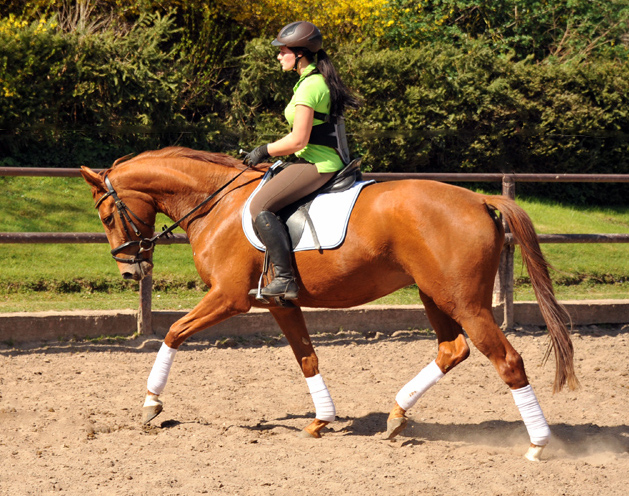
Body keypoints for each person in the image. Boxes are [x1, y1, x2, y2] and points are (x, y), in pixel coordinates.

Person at [244, 20, 360, 300]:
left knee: (259, 205)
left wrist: (265, 149)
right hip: (309, 159)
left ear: (299, 53)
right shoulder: (310, 82)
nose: (278, 55)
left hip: (318, 164)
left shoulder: (310, 87)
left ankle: (285, 279)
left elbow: (298, 140)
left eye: (282, 50)